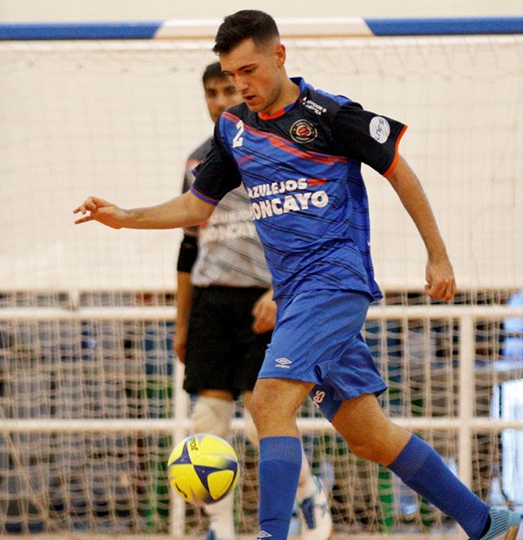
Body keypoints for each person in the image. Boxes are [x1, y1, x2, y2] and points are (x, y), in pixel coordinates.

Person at [75, 10, 520, 540]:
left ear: (279, 55)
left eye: (249, 71)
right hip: (296, 296)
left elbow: (399, 170)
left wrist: (438, 255)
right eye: (231, 75)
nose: (241, 85)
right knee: (368, 435)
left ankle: (272, 534)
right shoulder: (234, 129)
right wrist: (126, 216)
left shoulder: (330, 114)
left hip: (334, 282)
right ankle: (487, 522)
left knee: (267, 403)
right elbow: (198, 206)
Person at [175, 61, 331, 540]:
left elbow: (309, 234)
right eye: (211, 92)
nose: (221, 100)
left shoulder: (275, 148)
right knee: (206, 422)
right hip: (210, 301)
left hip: (266, 303)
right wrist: (182, 323)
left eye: (228, 89)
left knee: (263, 419)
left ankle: (308, 498)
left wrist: (278, 294)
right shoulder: (197, 161)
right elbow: (186, 247)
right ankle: (219, 527)